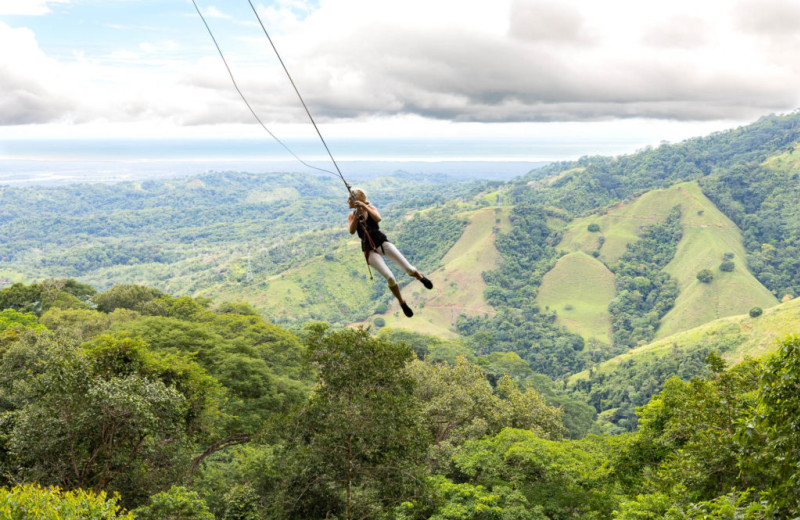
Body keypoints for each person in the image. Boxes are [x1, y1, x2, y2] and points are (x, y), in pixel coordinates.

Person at [348, 188, 433, 317]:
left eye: (349, 199)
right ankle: (402, 302)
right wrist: (356, 215)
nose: (347, 201)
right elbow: (352, 231)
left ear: (356, 200)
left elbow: (377, 219)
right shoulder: (351, 215)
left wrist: (364, 207)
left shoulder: (371, 208)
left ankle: (420, 277)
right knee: (390, 278)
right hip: (369, 249)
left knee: (409, 269)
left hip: (382, 242)